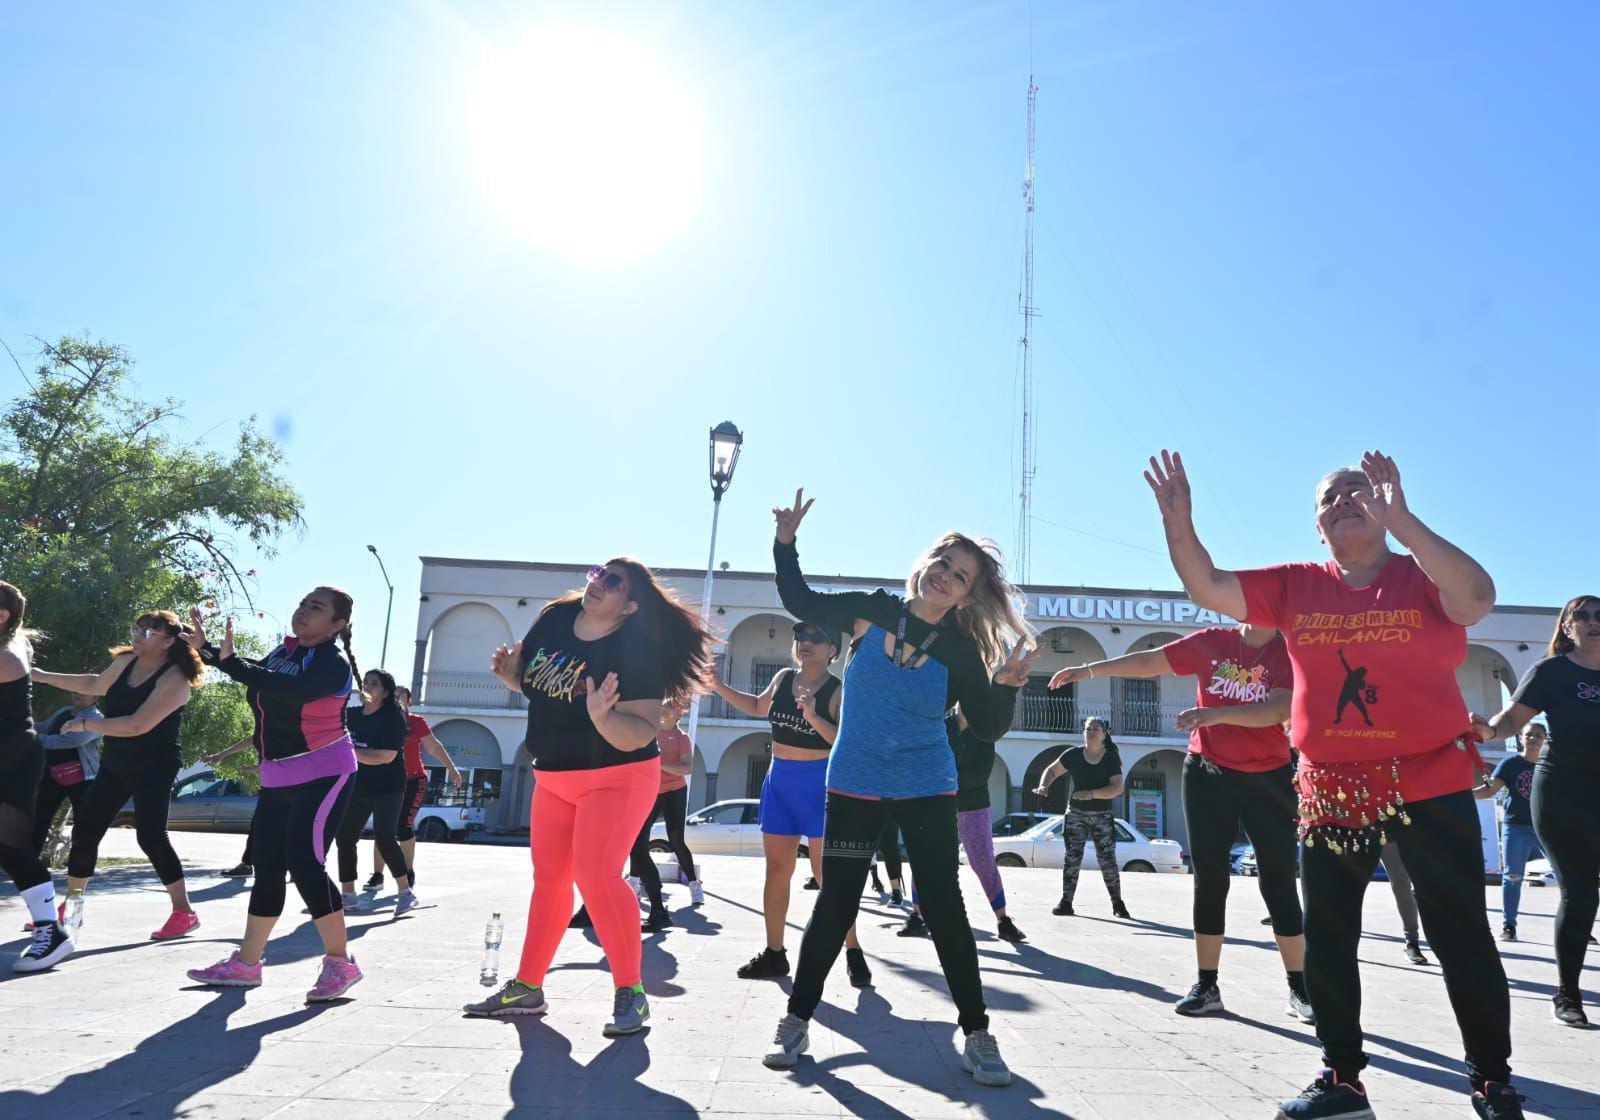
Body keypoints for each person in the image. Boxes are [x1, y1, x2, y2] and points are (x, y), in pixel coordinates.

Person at [1146, 449, 1521, 1120]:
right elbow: (1208, 586)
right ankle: (1344, 1079)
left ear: (1383, 504)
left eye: (1358, 490)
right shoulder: (1296, 585)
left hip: (1428, 778)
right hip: (1332, 786)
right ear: (1317, 526)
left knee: (1460, 931)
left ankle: (1492, 1080)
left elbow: (1478, 597)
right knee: (1329, 934)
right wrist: (1179, 523)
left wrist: (1403, 521)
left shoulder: (1422, 575)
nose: (1344, 499)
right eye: (1330, 497)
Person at [760, 490, 1038, 1089]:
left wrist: (1007, 686)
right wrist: (786, 542)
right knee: (836, 901)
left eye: (961, 577)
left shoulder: (962, 650)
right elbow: (800, 600)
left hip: (926, 786)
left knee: (943, 903)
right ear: (927, 560)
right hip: (855, 782)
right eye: (945, 563)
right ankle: (796, 1020)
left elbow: (987, 725)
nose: (947, 577)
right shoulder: (872, 610)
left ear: (966, 595)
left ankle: (978, 1033)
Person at [464, 559, 712, 1037]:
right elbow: (542, 687)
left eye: (613, 581)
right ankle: (528, 987)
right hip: (553, 776)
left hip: (617, 777)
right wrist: (512, 676)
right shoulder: (556, 619)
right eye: (599, 572)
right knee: (550, 881)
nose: (598, 582)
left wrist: (604, 718)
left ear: (630, 606)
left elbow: (641, 731)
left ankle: (631, 993)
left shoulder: (636, 651)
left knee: (596, 876)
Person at [1048, 623, 1310, 1021]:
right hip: (1208, 771)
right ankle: (1207, 985)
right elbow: (1150, 662)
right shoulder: (1213, 641)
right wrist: (1087, 670)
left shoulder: (1284, 652)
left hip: (1268, 777)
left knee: (1278, 879)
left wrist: (1214, 714)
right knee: (1210, 877)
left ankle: (1300, 987)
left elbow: (1277, 710)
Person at [184, 590, 365, 1002]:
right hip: (277, 774)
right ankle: (247, 963)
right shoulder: (283, 653)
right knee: (266, 866)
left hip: (324, 770)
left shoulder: (332, 664)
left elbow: (290, 690)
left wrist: (230, 663)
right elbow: (255, 673)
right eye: (303, 604)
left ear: (337, 625)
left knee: (305, 864)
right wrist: (207, 651)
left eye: (316, 609)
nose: (304, 611)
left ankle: (341, 963)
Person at [709, 621, 869, 985]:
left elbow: (844, 740)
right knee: (777, 870)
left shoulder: (837, 690)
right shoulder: (783, 678)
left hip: (819, 785)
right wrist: (718, 686)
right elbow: (756, 706)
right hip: (780, 781)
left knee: (827, 877)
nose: (805, 643)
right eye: (801, 637)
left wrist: (813, 716)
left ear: (832, 650)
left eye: (816, 638)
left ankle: (853, 949)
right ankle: (774, 953)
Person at [33, 611, 202, 941]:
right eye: (138, 628)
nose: (138, 634)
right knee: (85, 831)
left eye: (149, 631)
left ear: (169, 642)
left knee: (150, 837)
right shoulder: (126, 660)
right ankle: (73, 911)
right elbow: (94, 685)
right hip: (117, 761)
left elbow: (137, 725)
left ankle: (184, 913)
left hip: (154, 766)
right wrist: (40, 675)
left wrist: (86, 724)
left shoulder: (176, 679)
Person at [1474, 594, 1600, 1029]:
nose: (1593, 622)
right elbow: (1512, 719)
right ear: (1567, 627)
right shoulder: (1552, 671)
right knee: (1581, 893)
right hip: (1561, 793)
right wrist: (1488, 730)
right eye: (1582, 616)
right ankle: (1567, 994)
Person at [0, 580, 77, 971]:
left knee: (12, 847)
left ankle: (52, 932)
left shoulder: (6, 657)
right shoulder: (13, 642)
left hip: (12, 760)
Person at [899, 712, 1025, 943]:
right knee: (924, 857)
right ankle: (917, 915)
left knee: (983, 860)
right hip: (937, 803)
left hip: (973, 805)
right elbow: (928, 763)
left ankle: (1003, 920)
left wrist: (945, 777)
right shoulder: (940, 726)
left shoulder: (984, 732)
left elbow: (980, 774)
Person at [364, 685, 462, 893]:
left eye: (402, 696)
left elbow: (434, 747)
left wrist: (451, 769)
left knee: (403, 826)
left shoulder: (416, 723)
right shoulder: (381, 721)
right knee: (383, 829)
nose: (397, 699)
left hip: (414, 780)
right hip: (387, 781)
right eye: (394, 696)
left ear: (409, 702)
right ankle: (377, 875)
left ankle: (408, 871)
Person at [334, 669, 416, 915]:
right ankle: (348, 895)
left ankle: (405, 893)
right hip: (358, 784)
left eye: (374, 684)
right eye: (366, 683)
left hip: (388, 786)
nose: (367, 687)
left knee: (384, 838)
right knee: (344, 837)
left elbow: (384, 756)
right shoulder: (351, 715)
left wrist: (348, 751)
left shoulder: (393, 718)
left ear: (386, 692)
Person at [1033, 717, 1130, 919]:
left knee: (1107, 860)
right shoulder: (1073, 755)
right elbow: (1052, 770)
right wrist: (1044, 785)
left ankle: (1118, 903)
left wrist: (1092, 794)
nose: (1091, 732)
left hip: (1102, 815)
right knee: (1072, 857)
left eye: (1095, 728)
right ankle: (1066, 902)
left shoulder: (1110, 758)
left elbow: (1117, 788)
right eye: (1087, 729)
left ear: (1104, 734)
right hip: (1075, 813)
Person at [628, 699, 698, 931]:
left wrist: (659, 765)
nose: (667, 708)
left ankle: (694, 885)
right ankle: (634, 883)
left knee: (676, 839)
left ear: (678, 715)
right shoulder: (651, 731)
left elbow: (686, 768)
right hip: (650, 791)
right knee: (639, 839)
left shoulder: (682, 738)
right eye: (666, 705)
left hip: (674, 791)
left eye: (672, 707)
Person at [1473, 725, 1546, 942]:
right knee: (1513, 877)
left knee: (1567, 877)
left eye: (1538, 735)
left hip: (1547, 830)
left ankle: (1579, 927)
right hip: (1516, 828)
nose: (1533, 738)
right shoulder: (1510, 764)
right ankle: (1509, 926)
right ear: (1521, 738)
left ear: (1545, 740)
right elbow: (1489, 790)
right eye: (1528, 734)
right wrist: (1461, 794)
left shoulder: (1550, 765)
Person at [30, 692, 103, 858]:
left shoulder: (96, 719)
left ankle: (79, 864)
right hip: (53, 774)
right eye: (76, 690)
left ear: (96, 697)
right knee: (38, 818)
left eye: (85, 692)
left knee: (83, 825)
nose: (78, 694)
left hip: (83, 779)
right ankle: (29, 862)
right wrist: (24, 726)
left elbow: (71, 741)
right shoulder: (64, 711)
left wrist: (33, 739)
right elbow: (45, 727)